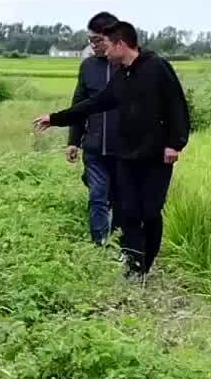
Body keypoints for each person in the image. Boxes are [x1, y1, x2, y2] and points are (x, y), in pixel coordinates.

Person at [36, 20, 190, 278]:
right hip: (126, 155)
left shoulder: (157, 67)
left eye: (107, 45)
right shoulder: (122, 75)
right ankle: (133, 265)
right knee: (126, 210)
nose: (103, 51)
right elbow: (95, 103)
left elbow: (177, 106)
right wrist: (55, 118)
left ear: (120, 44)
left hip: (155, 156)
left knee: (150, 212)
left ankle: (146, 264)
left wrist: (175, 144)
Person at [32, 11, 122, 246]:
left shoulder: (129, 65)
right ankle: (100, 245)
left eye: (97, 41)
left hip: (125, 148)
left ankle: (121, 243)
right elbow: (80, 105)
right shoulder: (88, 67)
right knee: (97, 196)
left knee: (121, 198)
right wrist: (73, 141)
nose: (93, 46)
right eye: (90, 41)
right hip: (94, 147)